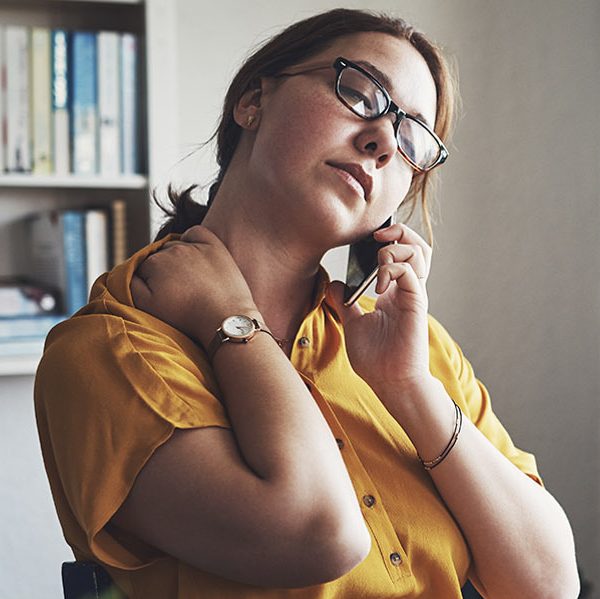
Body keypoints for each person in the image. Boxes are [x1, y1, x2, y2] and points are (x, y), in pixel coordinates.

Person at [34, 8, 579, 599]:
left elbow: (549, 586)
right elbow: (319, 535)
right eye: (362, 92)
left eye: (412, 136)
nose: (381, 143)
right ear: (253, 101)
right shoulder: (109, 350)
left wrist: (408, 387)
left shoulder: (412, 347)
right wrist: (231, 324)